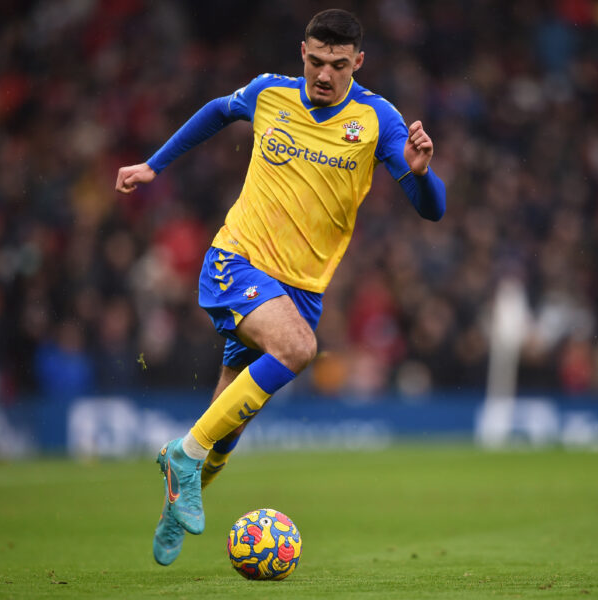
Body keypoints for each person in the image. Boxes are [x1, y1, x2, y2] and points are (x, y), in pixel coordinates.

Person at [115, 9, 446, 567]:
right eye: (316, 61)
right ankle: (182, 456)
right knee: (297, 349)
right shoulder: (270, 93)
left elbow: (431, 210)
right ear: (302, 54)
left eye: (338, 65)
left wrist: (421, 174)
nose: (324, 74)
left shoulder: (377, 120)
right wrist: (154, 165)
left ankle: (178, 499)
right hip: (237, 261)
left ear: (358, 63)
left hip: (301, 292)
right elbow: (217, 111)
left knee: (227, 428)